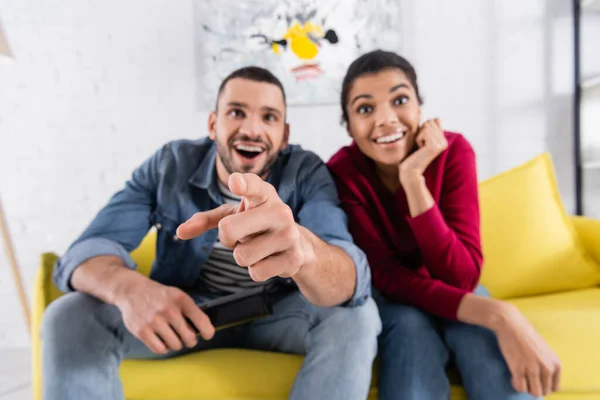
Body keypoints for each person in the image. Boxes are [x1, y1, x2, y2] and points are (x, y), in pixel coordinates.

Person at [42, 66, 381, 400]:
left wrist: (304, 250)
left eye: (269, 117)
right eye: (236, 112)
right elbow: (87, 250)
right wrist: (129, 288)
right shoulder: (169, 164)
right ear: (212, 123)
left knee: (358, 317)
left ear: (285, 135)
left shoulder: (306, 172)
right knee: (68, 315)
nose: (251, 129)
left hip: (278, 313)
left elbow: (348, 275)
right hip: (186, 314)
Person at [327, 50, 562, 400]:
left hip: (451, 286)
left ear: (420, 109)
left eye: (400, 100)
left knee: (481, 344)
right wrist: (499, 312)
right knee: (409, 331)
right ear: (348, 125)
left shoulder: (454, 151)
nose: (386, 119)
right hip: (394, 295)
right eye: (365, 109)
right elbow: (386, 275)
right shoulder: (343, 172)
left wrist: (413, 180)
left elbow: (462, 277)